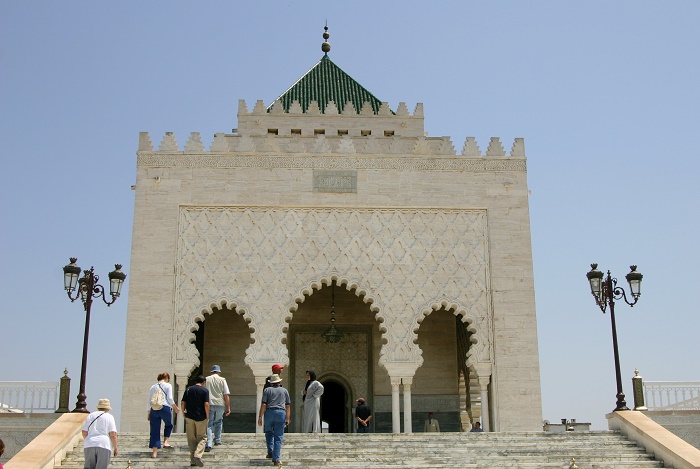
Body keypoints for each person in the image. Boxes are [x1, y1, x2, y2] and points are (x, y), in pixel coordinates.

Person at [257, 373, 291, 466]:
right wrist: (288, 418)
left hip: (269, 412)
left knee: (269, 433)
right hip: (281, 413)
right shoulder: (284, 391)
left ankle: (270, 452)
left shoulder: (267, 390)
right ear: (279, 382)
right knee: (278, 436)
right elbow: (287, 406)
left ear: (271, 383)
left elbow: (264, 404)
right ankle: (276, 459)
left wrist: (260, 417)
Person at [147, 372, 180, 458]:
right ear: (167, 378)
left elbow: (149, 401)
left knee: (154, 430)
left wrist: (148, 413)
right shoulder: (168, 385)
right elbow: (169, 398)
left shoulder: (153, 387)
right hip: (164, 407)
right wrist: (175, 407)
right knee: (169, 424)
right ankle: (165, 442)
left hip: (154, 409)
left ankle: (154, 452)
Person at [181, 375, 210, 467]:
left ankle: (192, 461)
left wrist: (183, 413)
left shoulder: (188, 389)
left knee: (191, 439)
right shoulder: (205, 391)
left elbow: (183, 402)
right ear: (203, 382)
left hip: (189, 417)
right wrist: (207, 415)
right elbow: (206, 404)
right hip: (201, 417)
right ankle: (197, 455)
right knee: (202, 438)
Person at [81, 398, 118, 469]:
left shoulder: (91, 415)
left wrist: (89, 439)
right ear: (108, 408)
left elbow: (84, 432)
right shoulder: (109, 417)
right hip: (103, 444)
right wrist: (115, 447)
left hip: (89, 443)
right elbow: (113, 434)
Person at [204, 365, 231, 452]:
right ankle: (217, 440)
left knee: (209, 423)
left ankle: (209, 443)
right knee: (219, 421)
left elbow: (203, 392)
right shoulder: (222, 380)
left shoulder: (206, 379)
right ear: (219, 372)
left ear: (211, 372)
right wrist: (228, 407)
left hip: (209, 403)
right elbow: (226, 394)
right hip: (220, 403)